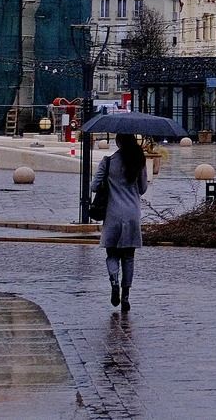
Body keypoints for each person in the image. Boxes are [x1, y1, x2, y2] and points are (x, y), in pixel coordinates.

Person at [94, 133, 149, 313]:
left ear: (118, 142)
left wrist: (108, 182)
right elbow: (142, 188)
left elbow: (94, 186)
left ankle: (114, 282)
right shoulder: (138, 161)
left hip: (113, 213)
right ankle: (126, 295)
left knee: (112, 253)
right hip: (132, 213)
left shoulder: (108, 161)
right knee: (129, 256)